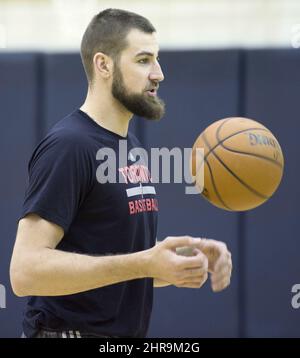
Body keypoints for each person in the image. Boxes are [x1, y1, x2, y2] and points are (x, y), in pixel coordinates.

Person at [10, 8, 232, 338]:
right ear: (104, 64)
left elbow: (114, 259)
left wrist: (176, 262)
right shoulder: (69, 146)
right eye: (144, 60)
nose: (158, 73)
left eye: (157, 59)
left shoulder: (131, 148)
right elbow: (25, 272)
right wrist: (145, 263)